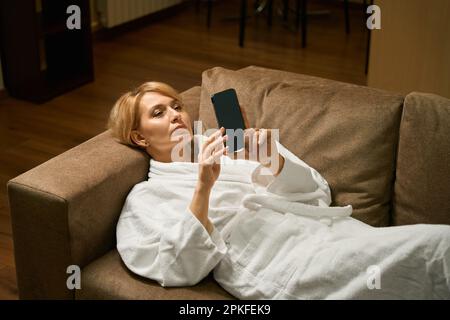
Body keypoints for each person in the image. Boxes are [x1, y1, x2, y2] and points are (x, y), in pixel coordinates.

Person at [108, 81, 450, 299]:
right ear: (139, 137)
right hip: (286, 263)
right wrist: (203, 188)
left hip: (332, 233)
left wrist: (272, 159)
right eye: (159, 112)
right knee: (437, 247)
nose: (176, 115)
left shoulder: (229, 146)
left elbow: (318, 193)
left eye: (177, 106)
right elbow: (178, 267)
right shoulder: (147, 199)